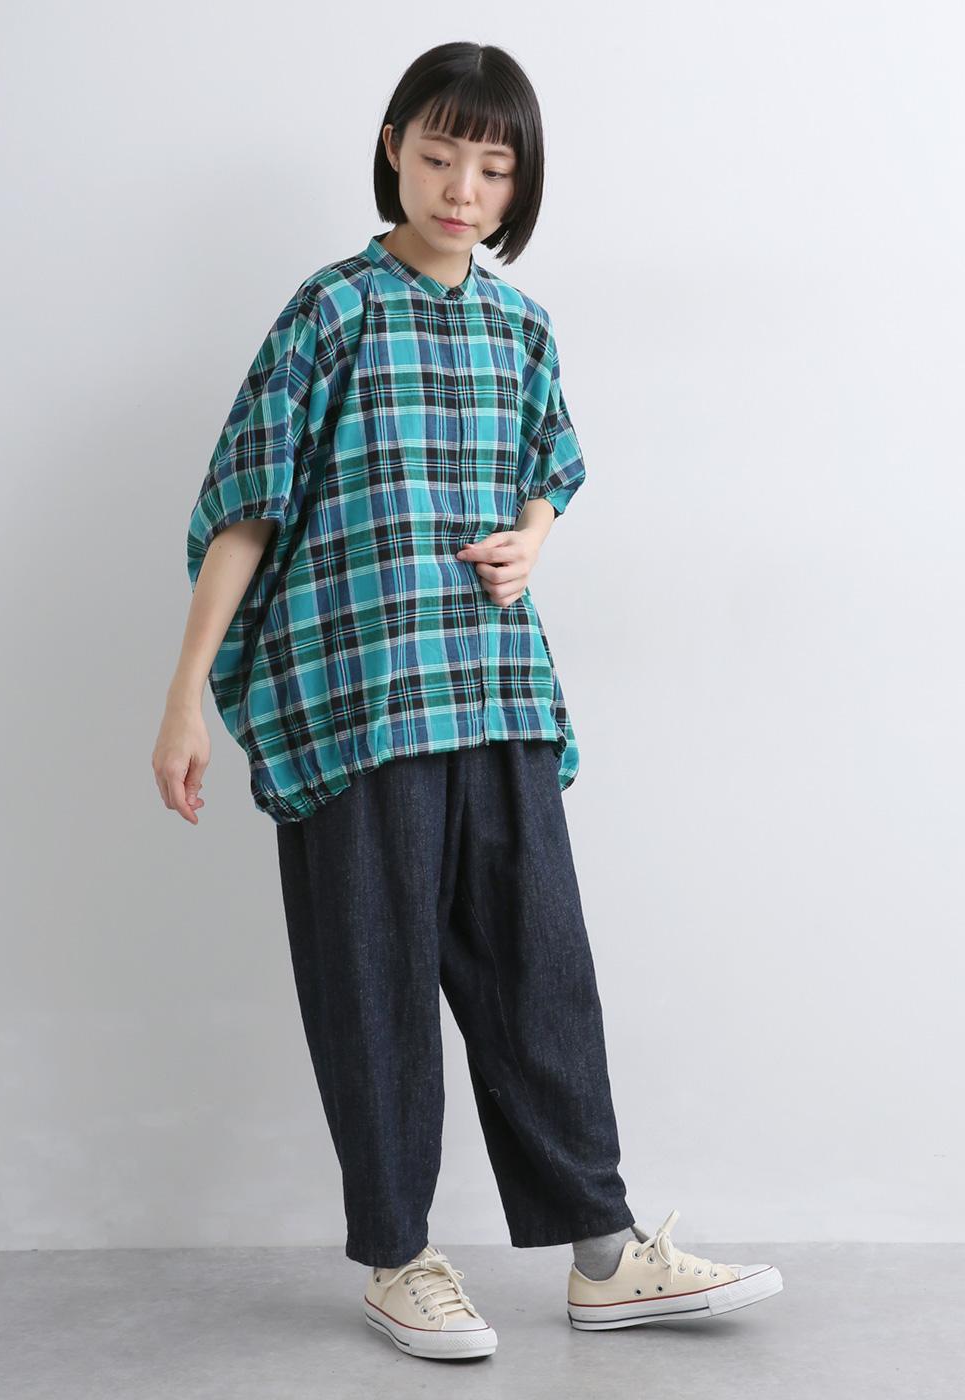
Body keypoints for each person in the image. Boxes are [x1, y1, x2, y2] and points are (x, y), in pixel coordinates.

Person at [153, 41, 783, 1362]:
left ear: (519, 183)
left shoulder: (521, 325)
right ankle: (400, 1258)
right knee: (372, 980)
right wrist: (185, 695)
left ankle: (604, 1255)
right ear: (394, 148)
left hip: (492, 690)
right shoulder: (333, 311)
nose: (462, 189)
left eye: (492, 168)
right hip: (358, 697)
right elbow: (247, 505)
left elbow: (550, 466)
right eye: (440, 156)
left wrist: (533, 538)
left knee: (542, 974)